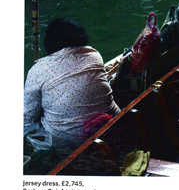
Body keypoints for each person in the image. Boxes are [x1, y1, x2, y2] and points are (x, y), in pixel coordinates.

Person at [23, 18, 120, 156]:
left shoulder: (38, 69)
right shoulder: (94, 54)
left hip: (68, 142)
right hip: (110, 126)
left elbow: (27, 117)